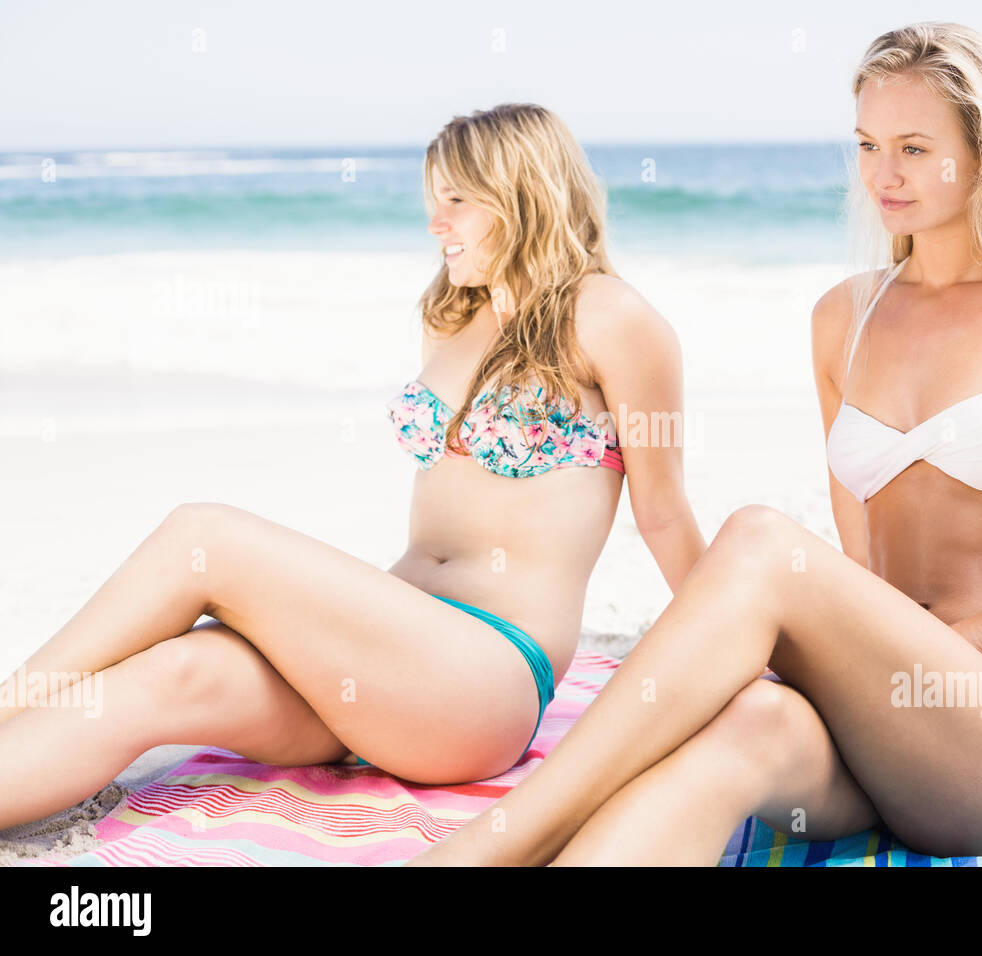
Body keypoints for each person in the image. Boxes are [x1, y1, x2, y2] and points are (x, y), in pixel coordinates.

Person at [405, 22, 982, 866]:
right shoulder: (844, 320)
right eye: (867, 145)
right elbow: (863, 569)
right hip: (881, 725)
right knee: (744, 727)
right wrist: (863, 680)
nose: (883, 174)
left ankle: (490, 842)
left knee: (759, 539)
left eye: (912, 147)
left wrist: (920, 670)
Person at [0, 103, 706, 831]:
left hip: (483, 680)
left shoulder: (614, 317)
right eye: (433, 203)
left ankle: (7, 701)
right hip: (381, 675)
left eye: (458, 201)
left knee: (200, 536)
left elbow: (662, 513)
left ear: (524, 192)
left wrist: (739, 656)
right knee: (174, 674)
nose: (437, 224)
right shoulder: (452, 317)